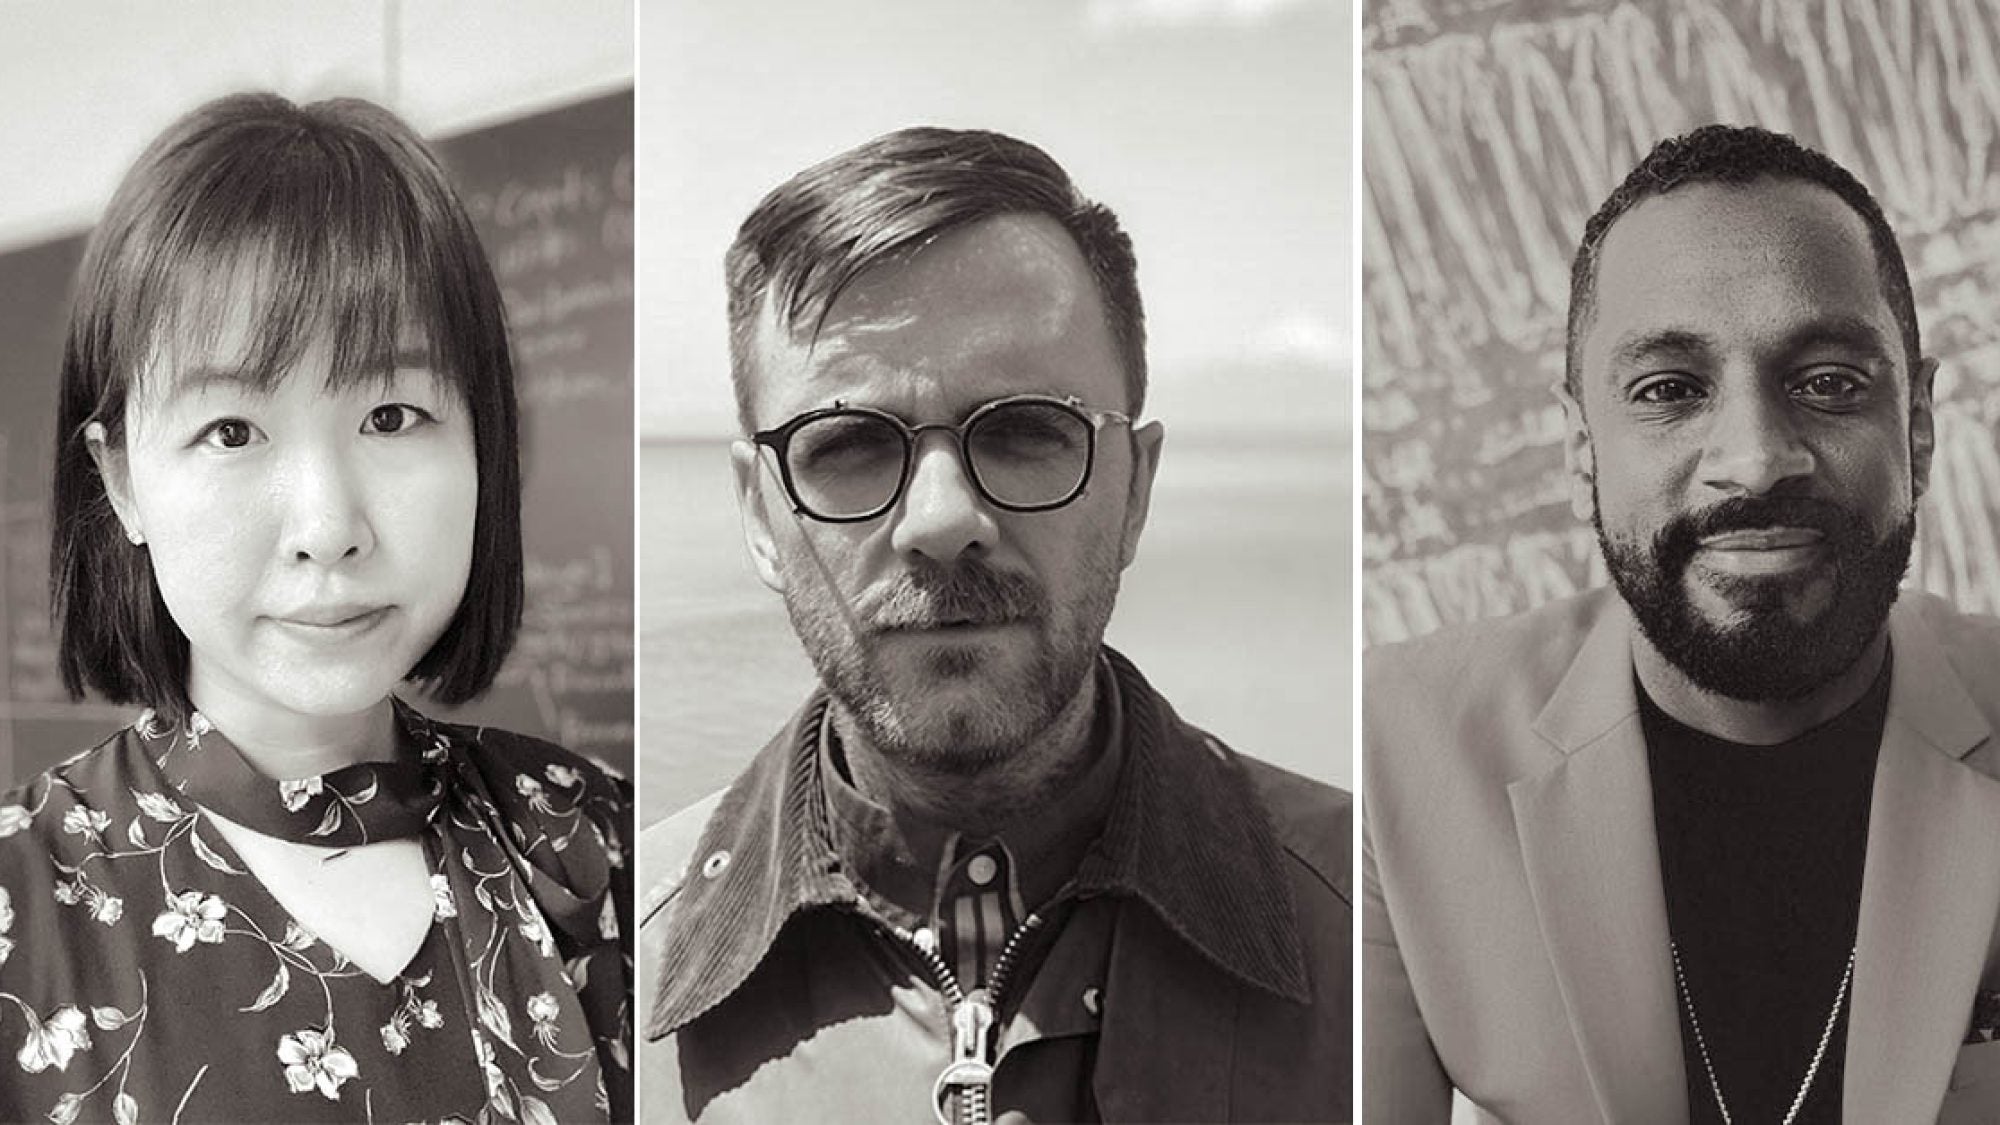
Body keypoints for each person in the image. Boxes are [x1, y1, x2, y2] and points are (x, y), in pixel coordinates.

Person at [638, 127, 1351, 1123]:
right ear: (760, 515)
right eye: (845, 444)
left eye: (1023, 432)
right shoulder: (613, 975)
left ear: (1134, 489)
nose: (939, 522)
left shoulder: (1373, 930)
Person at [0, 94, 632, 1123]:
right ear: (121, 483)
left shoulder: (595, 841)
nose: (328, 526)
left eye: (391, 415)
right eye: (233, 431)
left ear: (483, 445)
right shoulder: (20, 905)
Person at [1363, 124, 2000, 1123]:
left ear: (1915, 424)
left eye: (1827, 382)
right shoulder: (1392, 751)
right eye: (1667, 390)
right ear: (1582, 446)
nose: (1752, 459)